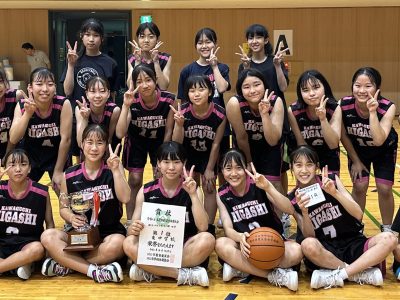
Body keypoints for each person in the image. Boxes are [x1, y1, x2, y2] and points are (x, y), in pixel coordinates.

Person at [288, 145, 397, 289]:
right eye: (298, 165)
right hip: (326, 251)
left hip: (352, 241)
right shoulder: (293, 199)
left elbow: (358, 214)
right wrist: (305, 212)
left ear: (317, 167)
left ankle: (341, 275)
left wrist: (335, 193)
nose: (304, 170)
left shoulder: (332, 180)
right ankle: (358, 273)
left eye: (309, 165)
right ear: (291, 168)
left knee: (390, 238)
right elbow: (309, 235)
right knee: (307, 245)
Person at [40, 124, 130, 283]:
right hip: (79, 234)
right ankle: (94, 271)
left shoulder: (114, 168)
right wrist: (71, 217)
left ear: (106, 146)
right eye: (89, 142)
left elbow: (125, 198)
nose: (94, 148)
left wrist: (116, 171)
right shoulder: (69, 175)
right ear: (82, 145)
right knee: (48, 236)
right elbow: (63, 207)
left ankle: (68, 264)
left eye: (100, 143)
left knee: (118, 243)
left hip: (107, 233)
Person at [123, 141, 215, 287]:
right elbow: (131, 232)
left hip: (184, 247)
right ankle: (183, 274)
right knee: (128, 243)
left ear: (184, 163)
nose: (171, 167)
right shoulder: (146, 191)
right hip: (155, 248)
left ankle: (151, 271)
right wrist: (134, 228)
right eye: (166, 162)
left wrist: (192, 195)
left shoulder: (193, 189)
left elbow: (203, 227)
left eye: (176, 162)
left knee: (208, 239)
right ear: (158, 163)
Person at [215, 149, 302, 291]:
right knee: (220, 244)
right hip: (246, 247)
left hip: (272, 243)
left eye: (239, 168)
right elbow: (228, 228)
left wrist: (269, 187)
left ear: (246, 168)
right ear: (222, 171)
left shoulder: (259, 184)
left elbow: (289, 209)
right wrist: (240, 236)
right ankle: (274, 276)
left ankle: (242, 269)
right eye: (228, 168)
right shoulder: (222, 194)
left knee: (297, 250)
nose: (234, 173)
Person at [116, 65, 175, 226]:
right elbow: (120, 133)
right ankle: (130, 221)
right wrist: (126, 106)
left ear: (156, 80)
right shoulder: (131, 99)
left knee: (161, 177)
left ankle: (160, 221)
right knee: (135, 180)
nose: (144, 85)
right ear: (134, 84)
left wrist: (162, 158)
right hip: (136, 142)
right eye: (139, 81)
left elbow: (169, 130)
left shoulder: (169, 99)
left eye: (148, 80)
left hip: (160, 143)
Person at [340, 67, 397, 231]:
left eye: (368, 86)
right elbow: (343, 135)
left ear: (377, 88)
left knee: (385, 188)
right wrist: (355, 161)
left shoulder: (387, 107)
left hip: (384, 150)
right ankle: (355, 225)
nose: (362, 90)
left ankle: (387, 227)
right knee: (359, 186)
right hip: (358, 151)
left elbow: (379, 140)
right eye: (357, 85)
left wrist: (372, 113)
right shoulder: (343, 105)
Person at [236, 23, 290, 196]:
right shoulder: (245, 63)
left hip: (275, 117)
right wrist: (245, 68)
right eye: (251, 37)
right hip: (252, 120)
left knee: (279, 169)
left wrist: (277, 66)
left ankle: (281, 204)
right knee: (253, 164)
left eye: (258, 37)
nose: (254, 41)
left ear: (266, 39)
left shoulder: (276, 61)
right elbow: (242, 90)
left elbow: (283, 87)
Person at [171, 75, 226, 233]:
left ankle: (208, 227)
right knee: (190, 186)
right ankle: (190, 223)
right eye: (192, 90)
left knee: (209, 187)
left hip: (209, 155)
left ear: (210, 91)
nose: (196, 94)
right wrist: (179, 125)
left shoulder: (220, 113)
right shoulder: (184, 112)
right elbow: (176, 143)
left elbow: (216, 143)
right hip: (188, 154)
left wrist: (209, 168)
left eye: (201, 89)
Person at [177, 27, 230, 184]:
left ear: (215, 43)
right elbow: (183, 100)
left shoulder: (222, 68)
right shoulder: (187, 70)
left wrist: (214, 66)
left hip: (218, 125)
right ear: (196, 46)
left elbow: (221, 88)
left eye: (208, 41)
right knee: (192, 177)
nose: (204, 46)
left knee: (219, 176)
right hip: (193, 128)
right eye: (200, 43)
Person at [61, 18, 119, 159]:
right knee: (80, 157)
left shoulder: (110, 63)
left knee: (104, 157)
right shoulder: (75, 60)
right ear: (81, 36)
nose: (91, 39)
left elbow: (112, 95)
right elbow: (67, 91)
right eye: (87, 34)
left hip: (102, 119)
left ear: (102, 38)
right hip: (79, 115)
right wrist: (70, 65)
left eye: (96, 35)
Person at [9, 67, 72, 193]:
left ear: (54, 87)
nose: (45, 89)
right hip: (30, 155)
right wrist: (27, 114)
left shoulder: (63, 104)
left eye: (50, 84)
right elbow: (14, 138)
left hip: (57, 155)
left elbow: (66, 139)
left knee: (65, 193)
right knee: (22, 194)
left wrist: (58, 171)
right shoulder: (22, 105)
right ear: (30, 87)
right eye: (39, 84)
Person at [226, 68, 284, 193]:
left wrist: (264, 115)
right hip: (245, 147)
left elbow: (273, 140)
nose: (252, 91)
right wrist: (248, 162)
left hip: (269, 147)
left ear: (264, 85)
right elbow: (241, 137)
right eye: (246, 87)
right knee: (245, 185)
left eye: (257, 85)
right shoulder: (234, 103)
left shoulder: (276, 101)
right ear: (240, 90)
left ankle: (281, 213)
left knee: (273, 186)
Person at [0, 149, 54, 280]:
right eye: (12, 165)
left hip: (27, 244)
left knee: (37, 249)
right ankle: (18, 265)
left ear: (29, 168)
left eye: (23, 164)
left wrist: (50, 252)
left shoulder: (41, 192)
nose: (18, 169)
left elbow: (50, 223)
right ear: (5, 168)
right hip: (2, 243)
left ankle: (7, 266)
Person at [288, 70, 341, 174]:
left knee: (330, 186)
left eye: (316, 88)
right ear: (300, 93)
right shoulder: (293, 111)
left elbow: (333, 144)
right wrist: (311, 167)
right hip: (305, 154)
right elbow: (301, 143)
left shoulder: (335, 108)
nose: (311, 93)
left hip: (329, 154)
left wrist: (323, 119)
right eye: (305, 90)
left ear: (324, 87)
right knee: (307, 187)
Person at [75, 76, 121, 151]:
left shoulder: (114, 110)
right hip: (87, 151)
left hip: (108, 150)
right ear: (87, 94)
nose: (97, 96)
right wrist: (85, 118)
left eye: (102, 91)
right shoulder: (81, 109)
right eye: (93, 91)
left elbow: (109, 139)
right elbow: (80, 143)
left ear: (108, 94)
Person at [126, 22, 171, 90]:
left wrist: (156, 62)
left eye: (151, 37)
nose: (146, 40)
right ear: (138, 39)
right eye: (142, 36)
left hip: (159, 99)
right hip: (139, 98)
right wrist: (137, 62)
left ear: (157, 39)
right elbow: (130, 87)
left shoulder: (165, 58)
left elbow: (163, 86)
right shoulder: (132, 58)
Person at [0, 68, 26, 161]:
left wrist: (8, 155)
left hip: (14, 150)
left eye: (1, 82)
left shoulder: (16, 96)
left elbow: (16, 131)